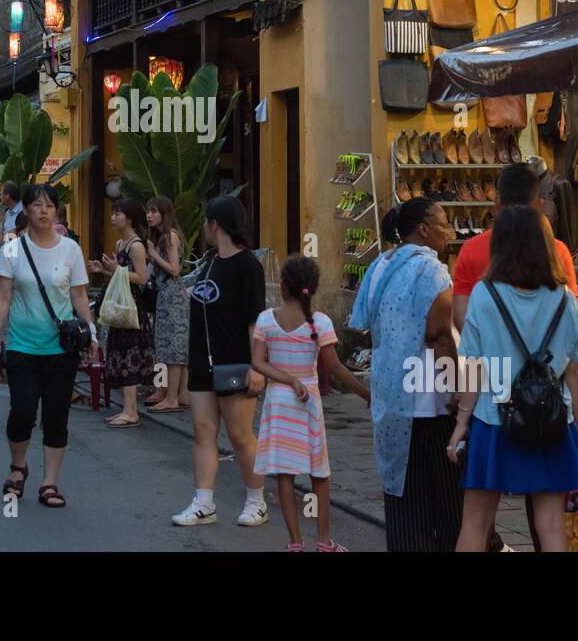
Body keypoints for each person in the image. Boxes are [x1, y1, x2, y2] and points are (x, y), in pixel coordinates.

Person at [449, 206, 578, 552]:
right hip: (551, 419)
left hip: (493, 418)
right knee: (550, 527)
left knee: (475, 523)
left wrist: (460, 423)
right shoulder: (566, 299)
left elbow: (473, 363)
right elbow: (574, 371)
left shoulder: (485, 294)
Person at [349, 197, 462, 551]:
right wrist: (459, 388)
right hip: (431, 401)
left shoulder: (380, 265)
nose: (451, 231)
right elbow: (439, 335)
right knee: (450, 505)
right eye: (444, 223)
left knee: (404, 501)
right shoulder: (431, 269)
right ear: (424, 229)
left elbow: (362, 322)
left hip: (391, 395)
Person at [0, 183, 97, 508]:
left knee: (56, 416)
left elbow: (79, 295)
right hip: (23, 345)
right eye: (37, 205)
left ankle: (50, 482)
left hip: (61, 349)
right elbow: (4, 296)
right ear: (26, 210)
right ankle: (18, 466)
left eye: (50, 205)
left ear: (57, 211)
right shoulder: (11, 250)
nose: (44, 211)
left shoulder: (71, 250)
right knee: (21, 412)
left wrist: (91, 333)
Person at [253, 255, 371, 551]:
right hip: (308, 403)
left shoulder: (267, 319)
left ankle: (295, 543)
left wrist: (286, 380)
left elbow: (257, 361)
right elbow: (336, 367)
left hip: (279, 403)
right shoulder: (319, 323)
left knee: (285, 474)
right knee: (319, 472)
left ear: (282, 287)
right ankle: (323, 541)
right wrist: (367, 395)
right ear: (313, 288)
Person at [171, 196, 268, 528]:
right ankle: (204, 502)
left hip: (236, 363)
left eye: (206, 222)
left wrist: (257, 367)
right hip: (202, 362)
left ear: (216, 225)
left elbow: (257, 322)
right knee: (202, 431)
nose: (204, 228)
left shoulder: (248, 266)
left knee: (240, 435)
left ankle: (257, 501)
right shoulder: (210, 261)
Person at [452, 162, 578, 329]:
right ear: (539, 204)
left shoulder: (471, 249)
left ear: (497, 202)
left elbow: (462, 317)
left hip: (491, 353)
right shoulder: (557, 250)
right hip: (547, 353)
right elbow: (570, 317)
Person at [89, 198, 155, 428]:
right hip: (121, 305)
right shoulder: (120, 244)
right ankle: (128, 410)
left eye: (117, 214)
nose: (113, 218)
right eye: (113, 213)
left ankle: (131, 412)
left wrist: (117, 269)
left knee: (130, 356)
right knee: (120, 355)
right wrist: (105, 270)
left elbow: (142, 278)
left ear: (129, 218)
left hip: (133, 308)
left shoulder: (137, 245)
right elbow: (120, 277)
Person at [143, 196, 188, 411]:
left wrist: (153, 255)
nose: (149, 215)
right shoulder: (160, 237)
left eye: (153, 211)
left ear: (164, 213)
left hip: (173, 295)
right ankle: (177, 393)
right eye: (147, 211)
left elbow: (175, 269)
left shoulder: (170, 236)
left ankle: (172, 397)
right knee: (166, 345)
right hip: (164, 295)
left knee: (174, 348)